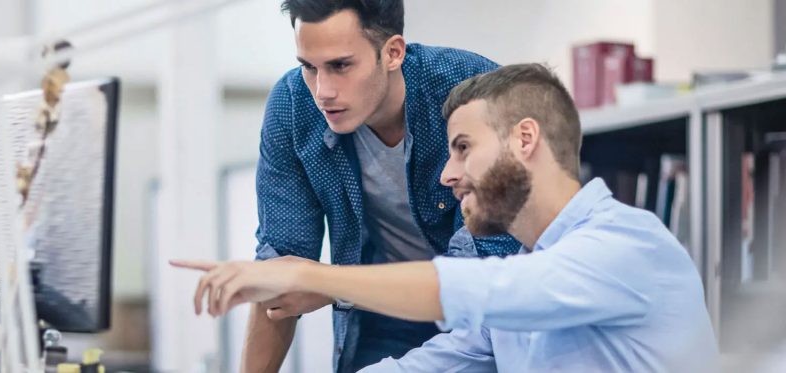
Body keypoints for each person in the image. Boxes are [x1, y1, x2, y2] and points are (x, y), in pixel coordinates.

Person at [174, 63, 719, 372]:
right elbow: (433, 361)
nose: (447, 174)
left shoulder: (623, 245)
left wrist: (303, 275)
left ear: (524, 139)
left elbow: (473, 287)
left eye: (462, 148)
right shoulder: (529, 275)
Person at [236, 0, 521, 371]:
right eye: (309, 67)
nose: (322, 91)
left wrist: (331, 284)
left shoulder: (470, 92)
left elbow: (480, 278)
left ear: (392, 52)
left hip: (482, 316)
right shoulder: (294, 105)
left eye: (340, 66)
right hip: (376, 309)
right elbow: (280, 268)